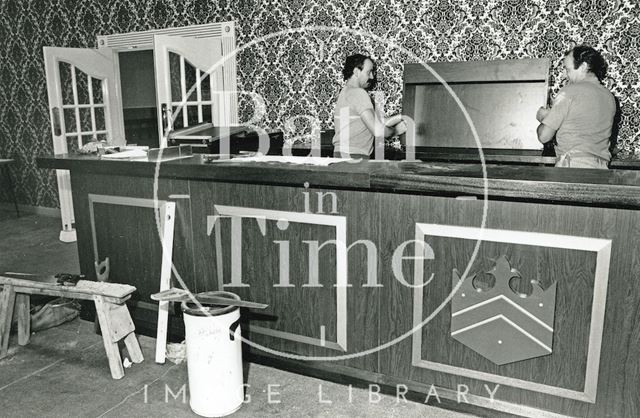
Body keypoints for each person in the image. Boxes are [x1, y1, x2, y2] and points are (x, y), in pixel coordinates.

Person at [536, 45, 616, 169]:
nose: (564, 75)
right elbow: (582, 124)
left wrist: (544, 117)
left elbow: (544, 136)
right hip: (601, 168)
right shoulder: (609, 97)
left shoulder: (569, 91)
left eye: (568, 70)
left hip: (573, 166)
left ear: (583, 67)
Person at [333, 54, 406, 159]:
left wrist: (401, 116)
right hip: (355, 157)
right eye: (369, 72)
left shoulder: (345, 92)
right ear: (356, 72)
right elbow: (378, 130)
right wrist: (396, 131)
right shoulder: (359, 93)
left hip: (340, 155)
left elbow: (375, 122)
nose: (372, 76)